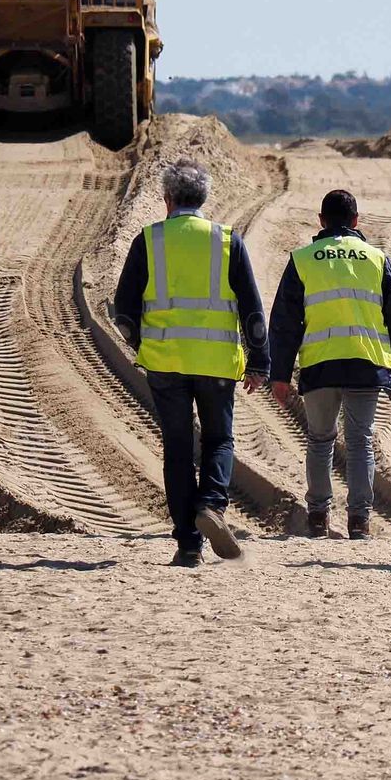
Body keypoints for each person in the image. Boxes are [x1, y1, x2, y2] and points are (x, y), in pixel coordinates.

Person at [112, 159, 269, 567]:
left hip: (166, 364)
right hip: (217, 363)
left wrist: (143, 346)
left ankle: (187, 546)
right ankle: (212, 507)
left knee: (178, 450)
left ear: (166, 199)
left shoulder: (148, 241)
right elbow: (252, 309)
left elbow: (124, 313)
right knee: (218, 440)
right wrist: (259, 362)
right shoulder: (227, 240)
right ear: (204, 198)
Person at [267, 189, 391, 539]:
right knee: (360, 441)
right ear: (356, 221)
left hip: (320, 364)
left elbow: (285, 321)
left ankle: (318, 517)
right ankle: (359, 522)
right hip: (366, 363)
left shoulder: (303, 259)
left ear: (321, 221)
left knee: (320, 440)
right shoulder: (376, 258)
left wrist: (279, 374)